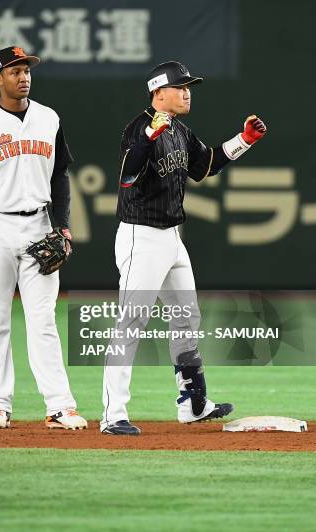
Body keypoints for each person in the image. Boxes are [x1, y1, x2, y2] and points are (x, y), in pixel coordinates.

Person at [101, 60, 267, 435]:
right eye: (181, 86)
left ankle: (192, 403)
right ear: (159, 94)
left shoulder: (179, 129)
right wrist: (147, 137)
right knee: (131, 322)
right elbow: (127, 177)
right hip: (140, 236)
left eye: (189, 85)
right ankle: (113, 415)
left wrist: (244, 140)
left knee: (187, 318)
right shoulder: (137, 128)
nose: (187, 91)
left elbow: (204, 166)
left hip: (173, 238)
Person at [0, 46, 87, 431]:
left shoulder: (49, 118)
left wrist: (62, 225)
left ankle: (59, 405)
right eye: (14, 71)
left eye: (26, 69)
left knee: (43, 320)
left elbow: (60, 176)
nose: (23, 76)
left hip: (39, 225)